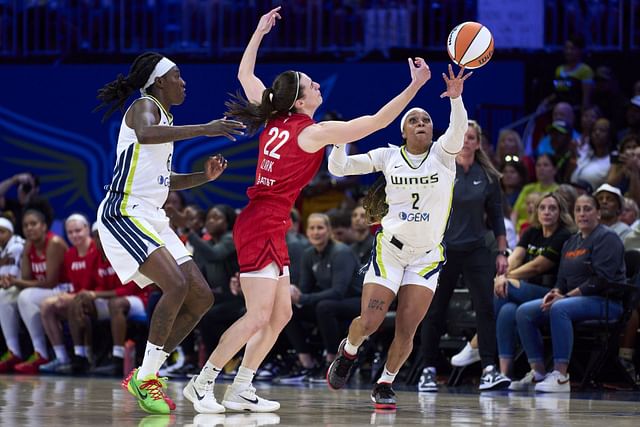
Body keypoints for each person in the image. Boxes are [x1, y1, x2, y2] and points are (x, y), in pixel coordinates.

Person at [183, 6, 430, 414]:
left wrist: (259, 32)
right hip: (261, 223)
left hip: (269, 223)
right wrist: (414, 87)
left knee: (279, 315)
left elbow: (246, 76)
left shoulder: (274, 115)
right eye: (312, 84)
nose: (318, 86)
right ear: (300, 99)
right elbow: (373, 122)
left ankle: (242, 386)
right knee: (259, 315)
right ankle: (202, 382)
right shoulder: (311, 132)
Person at [93, 51, 245, 414]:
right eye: (177, 75)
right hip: (124, 210)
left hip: (152, 214)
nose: (184, 81)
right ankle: (146, 379)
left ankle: (146, 374)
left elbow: (166, 180)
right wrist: (207, 129)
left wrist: (202, 178)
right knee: (175, 285)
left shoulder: (165, 120)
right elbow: (145, 134)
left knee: (201, 297)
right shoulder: (144, 108)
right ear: (159, 81)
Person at [324, 63, 472, 409]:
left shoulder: (443, 156)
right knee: (371, 322)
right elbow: (338, 168)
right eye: (414, 121)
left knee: (407, 328)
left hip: (426, 257)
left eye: (426, 121)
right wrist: (340, 140)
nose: (422, 124)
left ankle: (386, 383)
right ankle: (349, 350)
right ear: (403, 131)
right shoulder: (388, 156)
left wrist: (455, 100)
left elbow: (459, 129)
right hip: (389, 251)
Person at [418, 120, 510, 393]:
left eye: (472, 137)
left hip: (476, 249)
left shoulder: (488, 176)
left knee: (485, 308)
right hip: (443, 249)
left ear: (478, 143)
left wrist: (503, 252)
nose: (466, 141)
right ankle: (427, 369)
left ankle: (490, 369)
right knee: (435, 310)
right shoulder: (441, 169)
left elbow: (496, 217)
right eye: (463, 137)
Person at [513, 194, 626, 392]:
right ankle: (538, 372)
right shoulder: (571, 242)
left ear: (598, 214)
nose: (582, 214)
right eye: (578, 210)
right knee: (525, 311)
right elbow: (562, 279)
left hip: (606, 302)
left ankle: (560, 375)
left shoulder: (607, 238)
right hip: (572, 300)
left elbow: (600, 281)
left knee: (560, 308)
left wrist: (564, 297)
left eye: (588, 209)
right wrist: (555, 291)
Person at [281, 212, 360, 383]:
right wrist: (293, 293)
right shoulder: (309, 254)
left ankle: (331, 362)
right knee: (287, 308)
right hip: (328, 301)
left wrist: (303, 299)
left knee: (324, 307)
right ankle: (306, 363)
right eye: (312, 228)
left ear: (329, 230)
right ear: (307, 232)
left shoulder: (341, 252)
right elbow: (305, 289)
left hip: (355, 301)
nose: (316, 232)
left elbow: (339, 291)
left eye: (320, 228)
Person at [0, 209, 68, 374]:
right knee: (4, 295)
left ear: (44, 226)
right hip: (43, 290)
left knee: (25, 297)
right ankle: (13, 351)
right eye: (25, 226)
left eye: (33, 224)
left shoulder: (54, 243)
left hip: (64, 289)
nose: (29, 228)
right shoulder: (29, 246)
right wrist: (13, 280)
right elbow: (26, 278)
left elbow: (51, 282)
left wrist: (16, 281)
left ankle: (41, 353)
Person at [39, 214, 98, 374]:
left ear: (87, 228)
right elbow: (74, 285)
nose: (74, 235)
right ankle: (61, 357)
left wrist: (71, 297)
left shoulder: (97, 250)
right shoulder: (70, 254)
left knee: (73, 303)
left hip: (96, 298)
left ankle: (86, 355)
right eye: (70, 232)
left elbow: (96, 286)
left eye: (78, 230)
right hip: (77, 297)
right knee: (47, 306)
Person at [0, 214, 25, 371]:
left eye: (1, 232)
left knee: (2, 295)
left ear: (10, 232)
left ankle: (13, 350)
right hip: (11, 287)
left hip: (23, 286)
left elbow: (11, 278)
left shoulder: (17, 245)